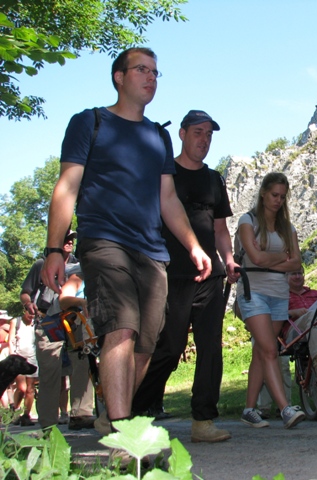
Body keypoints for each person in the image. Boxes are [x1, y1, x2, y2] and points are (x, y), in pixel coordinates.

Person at [40, 47, 212, 432]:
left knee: (147, 345)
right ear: (119, 77)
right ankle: (122, 432)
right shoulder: (91, 122)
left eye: (155, 71)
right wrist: (54, 249)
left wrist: (193, 245)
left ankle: (110, 413)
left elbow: (167, 198)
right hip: (103, 240)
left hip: (152, 252)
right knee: (121, 328)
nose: (151, 77)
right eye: (141, 70)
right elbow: (68, 186)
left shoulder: (158, 136)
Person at [131, 110, 239, 443]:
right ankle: (131, 412)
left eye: (209, 135)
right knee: (169, 347)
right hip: (171, 274)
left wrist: (230, 259)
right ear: (181, 134)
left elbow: (220, 229)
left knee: (211, 348)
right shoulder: (164, 174)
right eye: (198, 132)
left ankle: (203, 421)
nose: (204, 140)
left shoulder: (214, 179)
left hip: (210, 277)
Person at [236, 172, 306, 429]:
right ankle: (285, 408)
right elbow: (255, 259)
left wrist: (269, 259)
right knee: (269, 350)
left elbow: (297, 261)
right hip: (252, 292)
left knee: (261, 351)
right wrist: (281, 260)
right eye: (274, 195)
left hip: (279, 295)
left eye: (282, 197)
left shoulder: (289, 227)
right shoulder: (248, 221)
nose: (278, 200)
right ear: (263, 193)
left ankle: (248, 409)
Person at [20, 229, 93, 430]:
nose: (69, 242)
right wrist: (28, 305)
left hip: (74, 318)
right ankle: (47, 423)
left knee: (82, 363)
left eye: (71, 239)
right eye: (65, 239)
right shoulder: (41, 265)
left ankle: (81, 414)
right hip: (48, 321)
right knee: (50, 371)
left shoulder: (79, 265)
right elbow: (25, 293)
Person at [257, 266, 317, 418]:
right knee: (311, 318)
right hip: (294, 331)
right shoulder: (281, 296)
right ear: (285, 277)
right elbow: (269, 315)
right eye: (293, 274)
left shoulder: (316, 294)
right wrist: (293, 312)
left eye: (300, 273)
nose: (298, 276)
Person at [10, 314, 38, 426]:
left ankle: (26, 415)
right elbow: (11, 340)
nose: (31, 316)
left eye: (33, 315)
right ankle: (15, 410)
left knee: (30, 389)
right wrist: (12, 357)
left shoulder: (37, 323)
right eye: (29, 314)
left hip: (33, 358)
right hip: (19, 358)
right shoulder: (16, 322)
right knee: (22, 388)